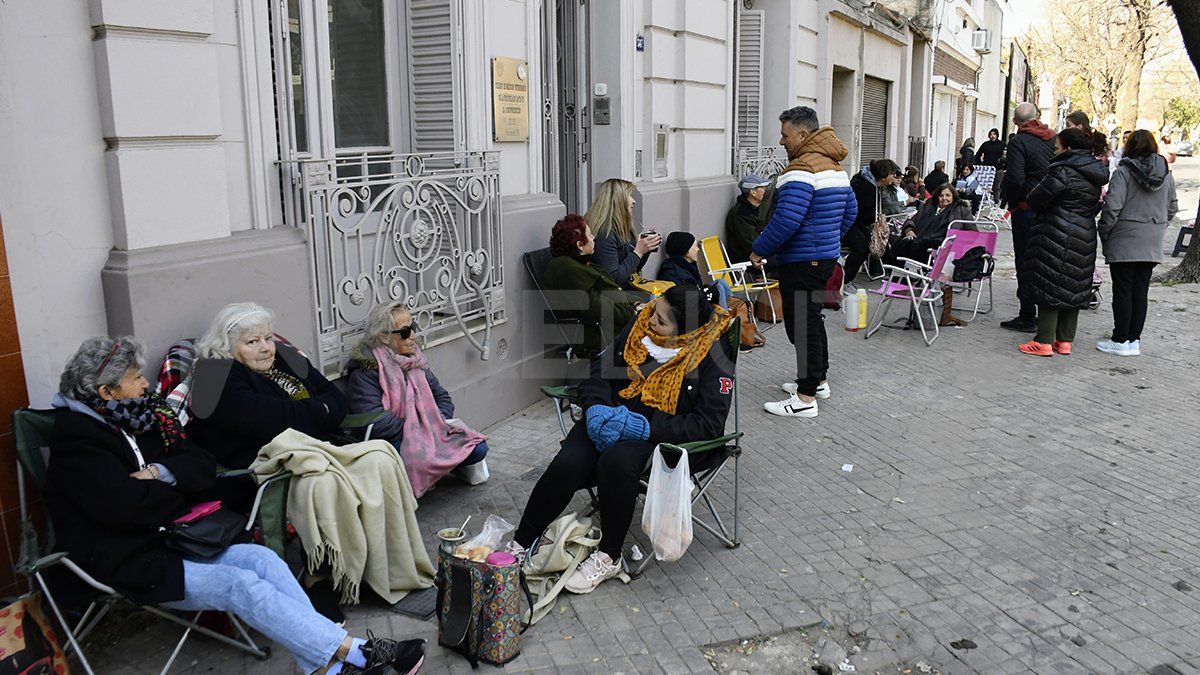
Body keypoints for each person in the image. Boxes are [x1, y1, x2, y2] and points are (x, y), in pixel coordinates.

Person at [46, 336, 426, 675]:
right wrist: (176, 488)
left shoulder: (145, 417)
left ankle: (326, 666)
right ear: (108, 392)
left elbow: (200, 465)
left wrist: (160, 473)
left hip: (177, 538)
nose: (145, 382)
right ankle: (357, 653)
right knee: (240, 584)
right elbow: (126, 508)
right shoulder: (78, 442)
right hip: (128, 558)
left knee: (264, 561)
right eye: (134, 377)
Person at [188, 302, 435, 621]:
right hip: (260, 469)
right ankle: (319, 576)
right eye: (253, 342)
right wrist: (319, 414)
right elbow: (269, 421)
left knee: (381, 458)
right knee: (322, 481)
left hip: (313, 448)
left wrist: (314, 415)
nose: (266, 348)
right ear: (227, 346)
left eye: (267, 338)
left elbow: (337, 400)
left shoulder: (284, 357)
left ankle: (385, 567)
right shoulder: (216, 374)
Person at [510, 286, 734, 592]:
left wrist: (644, 426)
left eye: (661, 321)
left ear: (684, 330)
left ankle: (609, 556)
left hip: (658, 434)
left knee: (617, 462)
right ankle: (521, 542)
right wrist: (596, 407)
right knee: (569, 463)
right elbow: (599, 371)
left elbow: (707, 425)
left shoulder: (712, 354)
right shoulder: (640, 324)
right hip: (608, 415)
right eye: (654, 310)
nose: (650, 320)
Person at [749, 106, 856, 418]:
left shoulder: (800, 170)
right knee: (813, 319)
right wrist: (827, 241)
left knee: (802, 325)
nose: (782, 141)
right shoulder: (835, 168)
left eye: (785, 135)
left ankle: (805, 398)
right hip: (823, 258)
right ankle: (818, 380)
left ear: (803, 135)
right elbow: (850, 213)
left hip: (802, 260)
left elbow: (786, 221)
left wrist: (759, 249)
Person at [345, 301, 490, 495]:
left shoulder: (414, 360)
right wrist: (418, 429)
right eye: (405, 332)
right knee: (418, 456)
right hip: (392, 439)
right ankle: (431, 470)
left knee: (478, 448)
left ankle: (437, 466)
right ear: (383, 336)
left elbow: (442, 397)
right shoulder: (367, 371)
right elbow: (376, 421)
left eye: (412, 328)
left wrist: (434, 423)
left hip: (430, 432)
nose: (413, 335)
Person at [1017, 127, 1110, 357]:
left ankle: (1044, 340)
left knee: (1049, 283)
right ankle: (1065, 340)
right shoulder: (1095, 172)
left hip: (1055, 231)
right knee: (1073, 285)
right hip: (1084, 233)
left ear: (1067, 148)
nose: (1054, 150)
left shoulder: (1062, 171)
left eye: (1057, 146)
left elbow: (1037, 198)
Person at [1097, 130, 1179, 356]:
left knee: (1123, 289)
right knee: (1140, 290)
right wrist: (1158, 226)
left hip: (1125, 236)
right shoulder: (1166, 174)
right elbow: (1172, 207)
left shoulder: (1124, 172)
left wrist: (1105, 230)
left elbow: (1112, 206)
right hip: (1152, 238)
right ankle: (1133, 339)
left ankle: (1120, 338)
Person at [541, 214, 642, 353]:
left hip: (610, 324)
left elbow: (612, 291)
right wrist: (633, 314)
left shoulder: (581, 263)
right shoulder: (567, 269)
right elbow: (598, 306)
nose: (593, 237)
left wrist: (636, 304)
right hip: (597, 332)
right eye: (589, 235)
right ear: (580, 245)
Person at [1001, 101, 1057, 332]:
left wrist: (1013, 203)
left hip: (1025, 209)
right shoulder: (1053, 139)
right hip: (1050, 207)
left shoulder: (1018, 142)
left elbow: (1014, 179)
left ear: (1015, 122)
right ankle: (1046, 314)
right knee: (1045, 260)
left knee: (1024, 260)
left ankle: (1027, 314)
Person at [889, 184, 975, 326]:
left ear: (953, 196)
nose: (944, 198)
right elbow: (911, 220)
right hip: (921, 238)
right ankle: (906, 276)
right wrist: (909, 230)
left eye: (948, 195)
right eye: (941, 195)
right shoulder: (929, 206)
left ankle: (913, 277)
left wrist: (956, 242)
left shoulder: (961, 209)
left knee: (921, 245)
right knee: (903, 244)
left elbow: (972, 232)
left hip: (942, 244)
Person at [586, 178, 661, 290]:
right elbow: (613, 279)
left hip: (627, 288)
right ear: (618, 200)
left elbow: (633, 268)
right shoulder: (605, 234)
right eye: (629, 195)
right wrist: (638, 252)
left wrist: (646, 248)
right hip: (614, 296)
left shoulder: (623, 227)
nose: (634, 200)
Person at [844, 158, 903, 284]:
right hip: (847, 223)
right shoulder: (864, 187)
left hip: (857, 222)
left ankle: (895, 272)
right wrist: (870, 228)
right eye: (892, 174)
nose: (893, 177)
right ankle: (844, 280)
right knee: (863, 247)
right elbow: (858, 214)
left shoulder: (872, 184)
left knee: (880, 242)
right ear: (883, 176)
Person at [654, 231, 732, 308]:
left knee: (720, 282)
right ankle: (725, 318)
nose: (698, 249)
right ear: (685, 250)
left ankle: (735, 313)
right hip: (689, 311)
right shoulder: (669, 271)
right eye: (694, 246)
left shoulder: (689, 265)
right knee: (718, 287)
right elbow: (679, 299)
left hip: (697, 301)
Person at [725, 174, 773, 265]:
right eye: (763, 188)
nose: (765, 190)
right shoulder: (741, 214)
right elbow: (751, 243)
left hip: (758, 253)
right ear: (753, 193)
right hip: (748, 259)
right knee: (786, 259)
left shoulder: (755, 209)